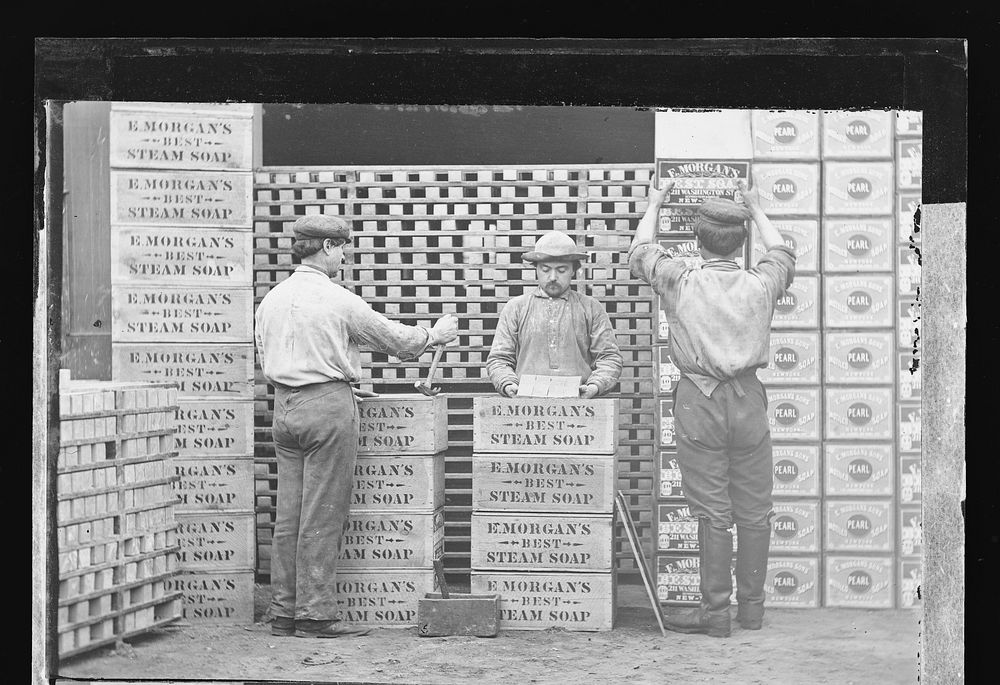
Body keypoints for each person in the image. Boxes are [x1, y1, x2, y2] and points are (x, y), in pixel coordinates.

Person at [254, 214, 459, 638]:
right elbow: (396, 342)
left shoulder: (270, 300)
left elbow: (275, 359)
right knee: (323, 514)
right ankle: (316, 615)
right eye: (342, 247)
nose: (344, 256)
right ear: (327, 247)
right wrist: (434, 335)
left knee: (289, 514)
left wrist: (333, 378)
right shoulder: (337, 299)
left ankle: (283, 613)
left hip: (284, 410)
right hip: (328, 410)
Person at [628, 178, 795, 638]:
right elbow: (782, 251)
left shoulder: (680, 280)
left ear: (697, 240)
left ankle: (716, 614)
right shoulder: (762, 282)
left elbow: (640, 248)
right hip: (749, 402)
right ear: (742, 242)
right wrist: (757, 209)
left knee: (713, 512)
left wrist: (655, 204)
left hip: (698, 402)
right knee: (756, 510)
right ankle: (752, 611)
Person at [486, 230, 623, 398]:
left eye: (561, 270)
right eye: (545, 269)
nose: (552, 277)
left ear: (574, 270)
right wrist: (508, 384)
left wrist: (594, 386)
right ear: (536, 269)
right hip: (526, 407)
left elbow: (609, 358)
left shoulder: (591, 308)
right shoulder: (516, 308)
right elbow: (498, 359)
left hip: (578, 407)